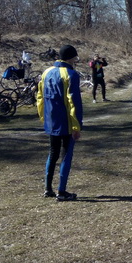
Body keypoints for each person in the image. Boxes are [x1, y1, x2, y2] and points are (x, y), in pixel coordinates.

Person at [37, 44, 83, 201]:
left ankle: (47, 188)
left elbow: (40, 97)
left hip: (51, 120)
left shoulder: (46, 72)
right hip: (66, 122)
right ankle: (61, 191)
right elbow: (73, 102)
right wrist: (76, 126)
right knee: (66, 155)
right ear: (71, 58)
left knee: (53, 152)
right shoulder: (71, 74)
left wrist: (43, 117)